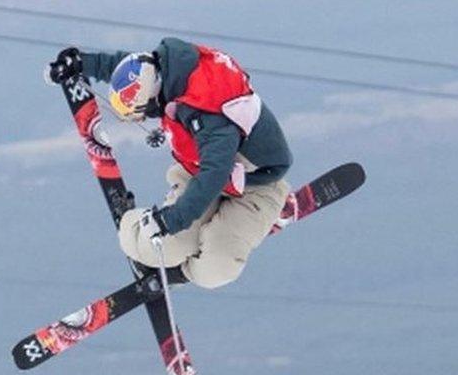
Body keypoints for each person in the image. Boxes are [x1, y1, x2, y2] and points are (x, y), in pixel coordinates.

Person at [48, 38, 293, 289]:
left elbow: (215, 174)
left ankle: (185, 269)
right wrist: (82, 64)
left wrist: (171, 220)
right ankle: (136, 226)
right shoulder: (168, 68)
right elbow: (129, 69)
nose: (147, 118)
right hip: (199, 173)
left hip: (256, 184)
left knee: (215, 268)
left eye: (142, 113)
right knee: (157, 247)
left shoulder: (209, 111)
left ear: (153, 99)